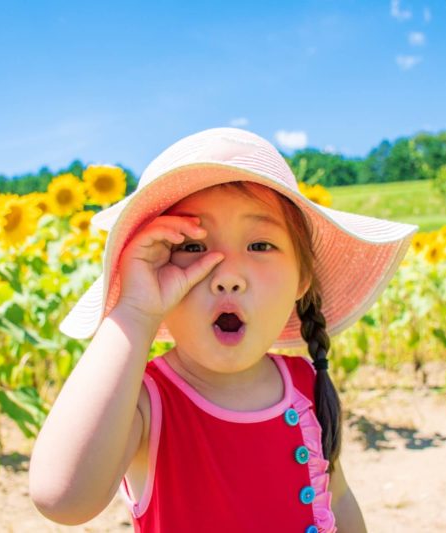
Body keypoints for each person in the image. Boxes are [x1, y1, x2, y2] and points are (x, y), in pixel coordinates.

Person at [29, 127, 418, 532]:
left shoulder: (303, 382)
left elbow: (335, 497)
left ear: (302, 279)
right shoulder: (147, 401)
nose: (228, 275)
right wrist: (135, 310)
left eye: (260, 246)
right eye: (193, 247)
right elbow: (62, 498)